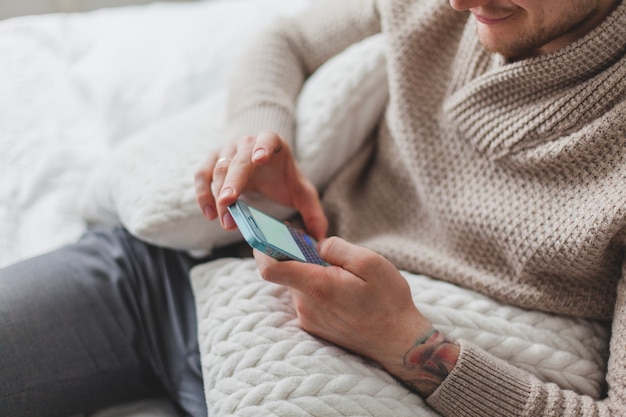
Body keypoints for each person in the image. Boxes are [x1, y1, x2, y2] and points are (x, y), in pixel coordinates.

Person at [1, 0, 625, 416]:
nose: (458, 3)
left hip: (335, 382)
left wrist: (407, 345)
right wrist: (261, 131)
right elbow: (288, 38)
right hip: (178, 274)